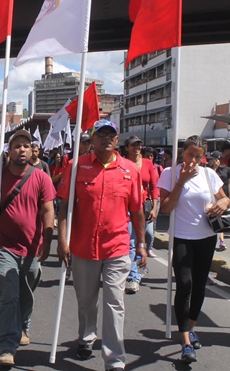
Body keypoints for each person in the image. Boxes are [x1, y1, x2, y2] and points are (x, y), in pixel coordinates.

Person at [56, 120, 146, 370]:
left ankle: (115, 360)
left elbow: (137, 210)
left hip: (117, 247)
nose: (106, 138)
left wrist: (141, 244)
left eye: (111, 134)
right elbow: (64, 207)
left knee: (114, 303)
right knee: (86, 300)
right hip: (83, 247)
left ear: (117, 141)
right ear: (92, 140)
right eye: (101, 134)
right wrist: (62, 241)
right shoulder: (76, 167)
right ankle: (86, 337)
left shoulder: (130, 170)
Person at [0, 130, 55, 367]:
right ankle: (7, 346)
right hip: (5, 247)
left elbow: (47, 210)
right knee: (9, 296)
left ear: (32, 150)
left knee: (26, 294)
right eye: (17, 146)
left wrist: (48, 237)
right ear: (9, 150)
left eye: (26, 145)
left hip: (32, 249)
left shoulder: (41, 177)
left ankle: (23, 325)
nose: (21, 149)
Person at [158, 135, 230, 364]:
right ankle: (185, 342)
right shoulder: (170, 173)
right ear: (183, 153)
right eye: (190, 155)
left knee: (199, 285)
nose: (194, 160)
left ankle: (191, 328)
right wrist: (181, 180)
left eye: (198, 156)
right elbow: (167, 208)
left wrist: (223, 203)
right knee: (185, 283)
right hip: (182, 236)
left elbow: (225, 199)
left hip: (206, 237)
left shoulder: (209, 174)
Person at [124, 135, 160, 294]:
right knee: (133, 242)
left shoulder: (148, 163)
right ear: (127, 148)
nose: (137, 148)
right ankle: (134, 277)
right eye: (133, 145)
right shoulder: (123, 164)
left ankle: (141, 263)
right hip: (128, 208)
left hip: (145, 207)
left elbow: (154, 187)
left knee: (149, 236)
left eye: (139, 145)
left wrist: (154, 207)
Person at [206, 150, 230, 251]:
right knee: (215, 217)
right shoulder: (208, 170)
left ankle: (221, 241)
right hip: (212, 197)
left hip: (223, 196)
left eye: (213, 159)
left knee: (221, 217)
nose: (210, 161)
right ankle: (216, 238)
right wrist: (214, 168)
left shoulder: (227, 169)